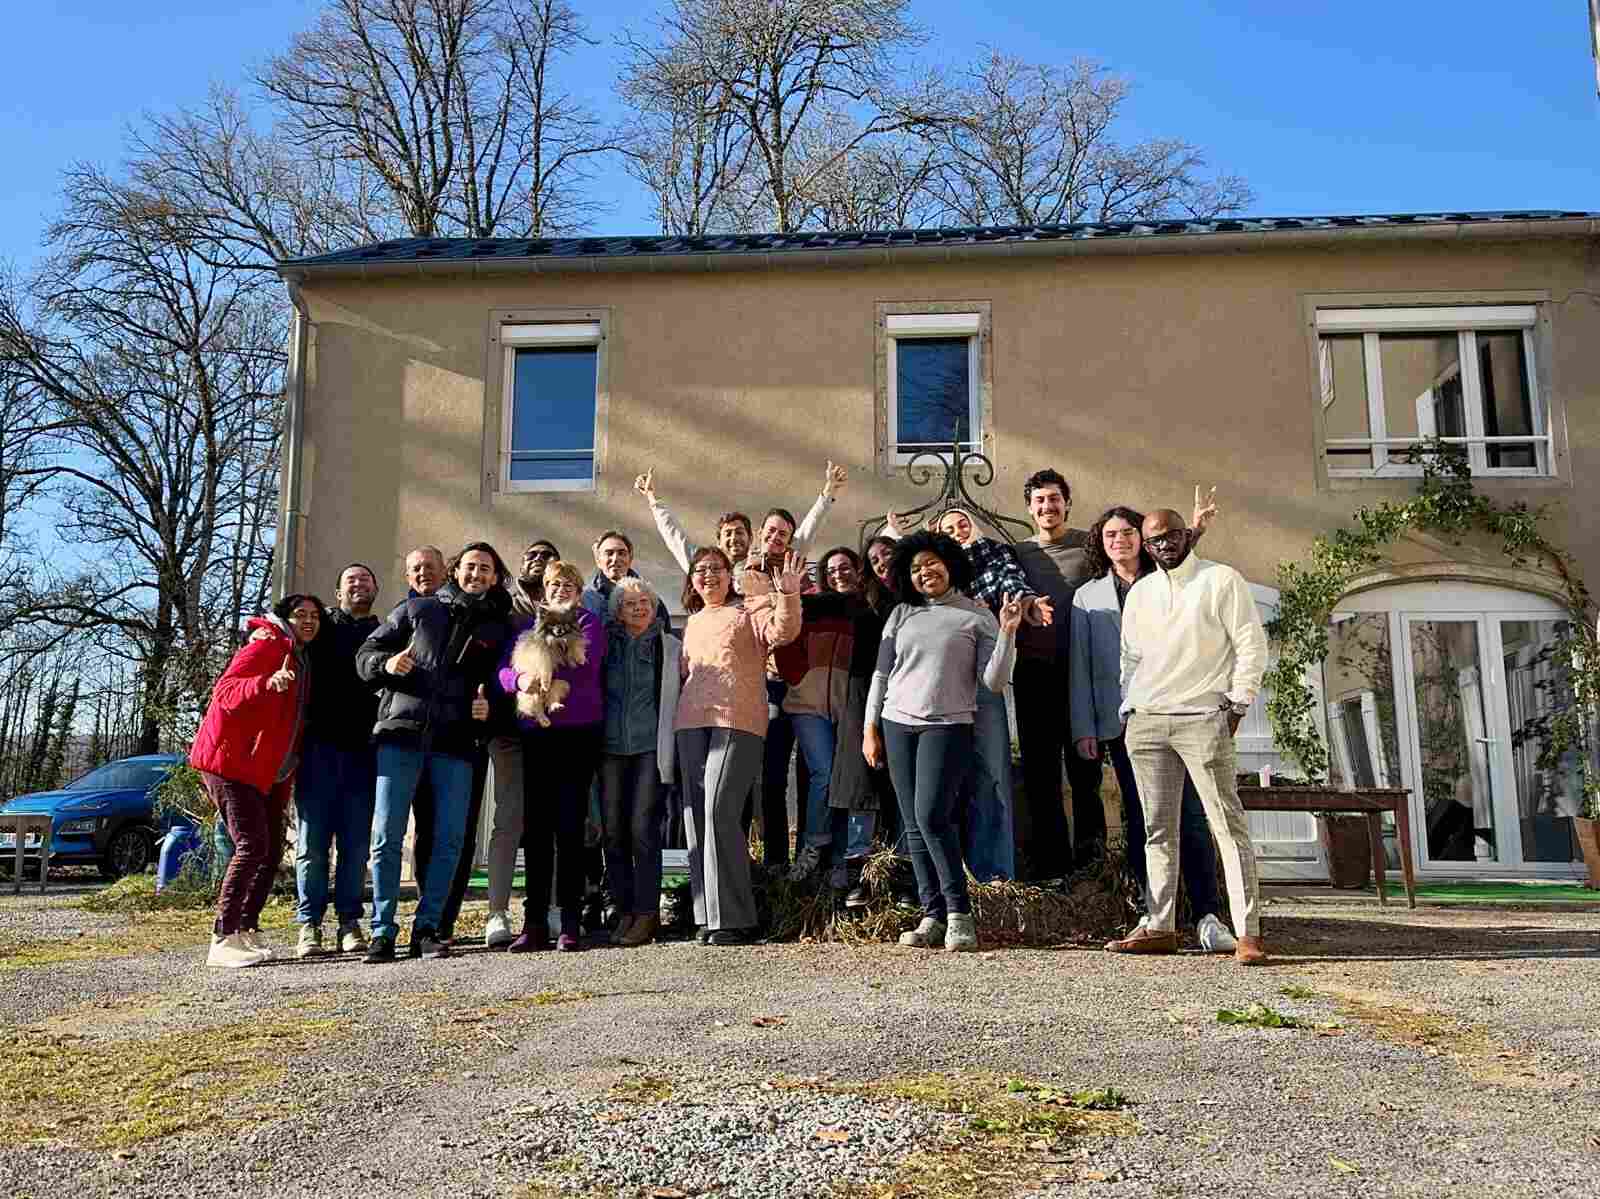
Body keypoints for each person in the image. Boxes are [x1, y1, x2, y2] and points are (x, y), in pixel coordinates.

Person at [1071, 506, 1235, 953]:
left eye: (1128, 532)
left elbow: (1188, 564)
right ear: (1100, 543)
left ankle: (1207, 915)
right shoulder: (1087, 596)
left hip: (1183, 712)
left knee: (1193, 818)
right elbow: (1081, 666)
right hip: (1126, 722)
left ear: (1142, 539)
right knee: (1145, 820)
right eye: (1110, 534)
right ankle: (1155, 914)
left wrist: (1197, 529)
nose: (1119, 540)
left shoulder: (1169, 579)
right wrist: (1086, 726)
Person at [1109, 509, 1269, 965]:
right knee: (1157, 829)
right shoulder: (1141, 591)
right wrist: (1129, 706)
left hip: (1202, 717)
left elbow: (1250, 642)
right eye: (1154, 540)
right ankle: (1159, 926)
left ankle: (1248, 932)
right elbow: (1129, 657)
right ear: (1146, 544)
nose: (1163, 545)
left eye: (1171, 536)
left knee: (1227, 826)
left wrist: (1239, 702)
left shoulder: (1221, 579)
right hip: (1147, 722)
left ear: (1187, 535)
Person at [863, 533, 1021, 953]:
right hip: (897, 722)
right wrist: (870, 728)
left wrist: (1007, 633)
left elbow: (994, 680)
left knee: (932, 816)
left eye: (931, 563)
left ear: (950, 564)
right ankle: (931, 914)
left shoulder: (976, 616)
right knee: (913, 824)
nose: (924, 573)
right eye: (915, 569)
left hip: (947, 724)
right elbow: (881, 675)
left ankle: (959, 913)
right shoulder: (900, 614)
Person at [356, 542, 512, 963]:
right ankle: (382, 930)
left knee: (450, 840)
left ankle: (428, 927)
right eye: (470, 567)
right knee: (387, 836)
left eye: (486, 569)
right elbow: (366, 654)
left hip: (456, 742)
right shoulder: (416, 610)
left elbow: (502, 683)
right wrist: (386, 665)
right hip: (401, 733)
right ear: (455, 571)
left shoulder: (496, 628)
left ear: (495, 578)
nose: (476, 575)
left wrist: (490, 707)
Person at [882, 506, 1052, 881]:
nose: (958, 530)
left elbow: (1014, 584)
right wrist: (895, 536)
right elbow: (910, 569)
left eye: (964, 524)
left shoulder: (993, 556)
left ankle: (993, 874)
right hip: (937, 692)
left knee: (992, 775)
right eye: (949, 527)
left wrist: (1025, 607)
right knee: (930, 791)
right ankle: (929, 876)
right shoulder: (926, 586)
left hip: (983, 674)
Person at [676, 547, 803, 945]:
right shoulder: (694, 621)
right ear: (692, 580)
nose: (708, 575)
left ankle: (735, 917)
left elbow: (783, 632)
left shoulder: (750, 609)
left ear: (729, 575)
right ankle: (707, 913)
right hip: (690, 722)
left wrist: (788, 594)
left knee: (719, 809)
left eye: (716, 568)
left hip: (737, 719)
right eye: (700, 570)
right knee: (696, 817)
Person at [191, 594, 324, 968]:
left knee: (269, 850)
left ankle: (246, 929)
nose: (309, 621)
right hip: (232, 762)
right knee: (251, 845)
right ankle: (222, 936)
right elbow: (226, 693)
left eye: (315, 616)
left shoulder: (301, 655)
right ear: (285, 618)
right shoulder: (266, 645)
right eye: (301, 615)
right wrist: (267, 682)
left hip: (270, 768)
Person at [500, 559, 606, 952]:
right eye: (552, 584)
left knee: (569, 827)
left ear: (578, 591)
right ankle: (534, 921)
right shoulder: (529, 627)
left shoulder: (590, 623)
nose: (559, 589)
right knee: (538, 829)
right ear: (543, 590)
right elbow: (504, 671)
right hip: (537, 733)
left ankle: (570, 920)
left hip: (577, 732)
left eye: (567, 584)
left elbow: (583, 665)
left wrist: (545, 659)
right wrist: (521, 678)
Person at [778, 547, 884, 897]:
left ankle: (841, 861)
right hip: (807, 705)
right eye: (832, 569)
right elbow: (786, 639)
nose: (839, 573)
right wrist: (795, 676)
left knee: (846, 782)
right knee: (824, 773)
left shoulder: (865, 610)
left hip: (848, 708)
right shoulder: (812, 607)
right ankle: (814, 845)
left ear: (858, 570)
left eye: (846, 567)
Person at [294, 565, 381, 958]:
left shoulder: (385, 633)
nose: (359, 584)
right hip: (318, 750)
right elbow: (285, 631)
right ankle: (309, 924)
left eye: (365, 579)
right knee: (312, 844)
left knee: (355, 845)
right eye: (351, 579)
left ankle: (349, 921)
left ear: (376, 589)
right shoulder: (321, 629)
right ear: (337, 589)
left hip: (364, 752)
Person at [483, 539, 559, 949]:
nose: (537, 560)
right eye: (530, 554)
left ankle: (546, 907)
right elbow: (496, 664)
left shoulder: (564, 607)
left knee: (547, 821)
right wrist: (516, 682)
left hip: (552, 729)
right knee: (509, 819)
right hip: (510, 728)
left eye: (546, 556)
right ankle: (497, 911)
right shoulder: (503, 604)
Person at [600, 576, 682, 947]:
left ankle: (648, 914)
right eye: (629, 603)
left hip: (650, 747)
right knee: (613, 832)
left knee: (642, 830)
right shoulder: (605, 646)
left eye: (644, 601)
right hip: (610, 749)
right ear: (618, 611)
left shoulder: (669, 647)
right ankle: (624, 911)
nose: (638, 607)